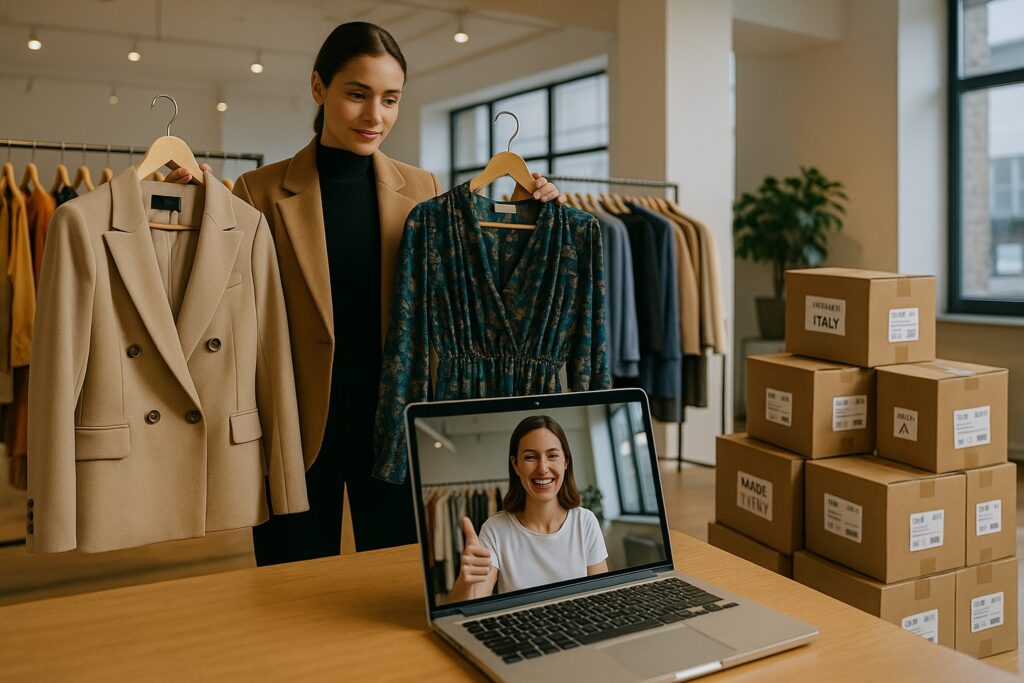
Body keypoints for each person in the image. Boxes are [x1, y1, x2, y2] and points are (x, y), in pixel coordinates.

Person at [170, 23, 567, 566]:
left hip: (398, 417)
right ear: (319, 88)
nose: (374, 116)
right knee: (294, 582)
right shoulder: (258, 191)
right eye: (357, 94)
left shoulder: (423, 189)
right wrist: (198, 213)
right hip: (298, 418)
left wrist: (530, 218)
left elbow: (475, 295)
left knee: (399, 577)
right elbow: (228, 303)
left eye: (390, 99)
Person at [448, 415, 608, 602]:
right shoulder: (494, 530)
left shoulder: (585, 522)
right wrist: (465, 581)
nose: (543, 468)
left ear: (566, 462)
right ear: (515, 465)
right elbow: (468, 608)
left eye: (552, 456)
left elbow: (602, 599)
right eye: (531, 457)